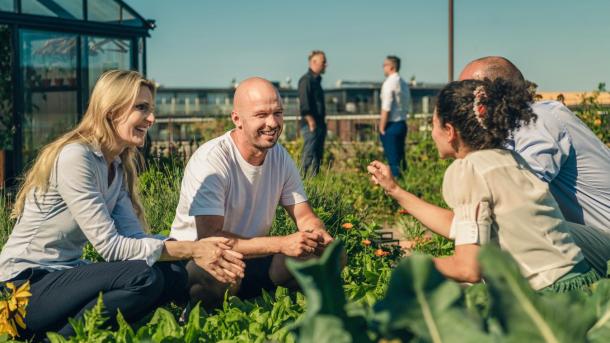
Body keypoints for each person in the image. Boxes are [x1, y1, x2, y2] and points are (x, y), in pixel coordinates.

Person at [0, 70, 245, 339]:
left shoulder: (114, 166)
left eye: (151, 109)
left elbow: (133, 239)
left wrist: (187, 251)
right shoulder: (76, 158)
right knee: (143, 276)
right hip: (21, 289)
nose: (151, 119)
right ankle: (53, 339)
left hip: (63, 277)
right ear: (111, 110)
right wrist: (193, 248)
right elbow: (111, 247)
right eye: (141, 108)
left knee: (169, 270)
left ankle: (181, 318)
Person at [368, 78, 604, 291]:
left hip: (546, 295)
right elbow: (456, 225)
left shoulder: (468, 170)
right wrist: (395, 190)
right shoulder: (508, 159)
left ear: (449, 131)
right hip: (579, 283)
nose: (432, 133)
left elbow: (467, 269)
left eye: (433, 125)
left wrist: (406, 264)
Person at [170, 77, 333, 309]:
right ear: (237, 119)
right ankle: (203, 304)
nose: (273, 122)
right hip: (203, 258)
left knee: (332, 254)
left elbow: (304, 215)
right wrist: (281, 244)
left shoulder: (279, 156)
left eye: (278, 113)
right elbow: (210, 237)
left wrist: (316, 234)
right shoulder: (213, 160)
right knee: (218, 271)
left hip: (255, 257)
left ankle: (257, 295)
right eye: (261, 115)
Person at [458, 56, 610, 233]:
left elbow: (516, 195)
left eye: (464, 93)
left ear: (486, 95)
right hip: (596, 237)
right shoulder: (511, 130)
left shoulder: (539, 119)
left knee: (515, 227)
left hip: (605, 237)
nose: (459, 102)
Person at [379, 55, 411, 177]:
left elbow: (386, 106)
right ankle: (406, 185)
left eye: (384, 65)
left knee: (393, 161)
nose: (383, 68)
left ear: (391, 67)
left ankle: (395, 190)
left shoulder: (389, 83)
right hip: (402, 123)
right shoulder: (403, 83)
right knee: (401, 158)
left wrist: (382, 127)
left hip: (391, 125)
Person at [298, 50, 327, 177]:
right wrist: (310, 121)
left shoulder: (317, 80)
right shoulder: (306, 80)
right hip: (311, 124)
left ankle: (314, 182)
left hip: (319, 123)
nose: (326, 64)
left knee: (317, 155)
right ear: (313, 62)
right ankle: (301, 181)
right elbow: (304, 103)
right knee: (309, 153)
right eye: (323, 62)